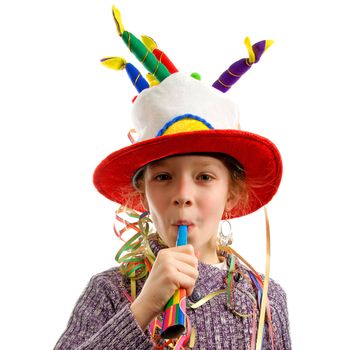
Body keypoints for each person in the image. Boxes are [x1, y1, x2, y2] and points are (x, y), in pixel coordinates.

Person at [54, 6, 291, 350]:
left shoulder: (264, 297)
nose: (183, 194)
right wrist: (144, 307)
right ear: (142, 191)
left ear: (232, 191)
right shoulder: (109, 291)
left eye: (205, 177)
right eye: (164, 176)